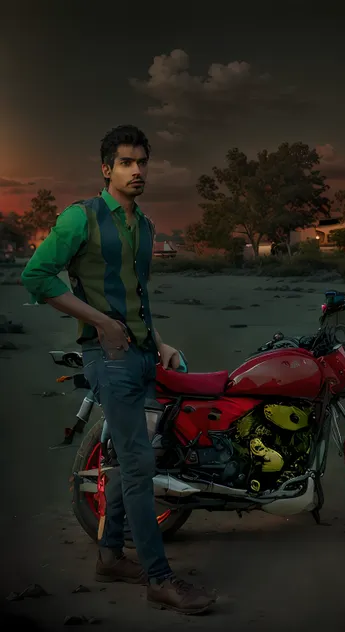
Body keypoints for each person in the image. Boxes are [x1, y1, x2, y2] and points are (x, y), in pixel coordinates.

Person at [21, 125, 216, 615]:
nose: (137, 171)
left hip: (144, 355)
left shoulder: (145, 226)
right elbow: (36, 276)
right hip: (108, 359)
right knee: (138, 466)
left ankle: (110, 556)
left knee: (131, 457)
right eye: (126, 163)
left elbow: (137, 302)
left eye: (143, 162)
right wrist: (100, 322)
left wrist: (161, 342)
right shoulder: (81, 217)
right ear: (106, 168)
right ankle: (159, 577)